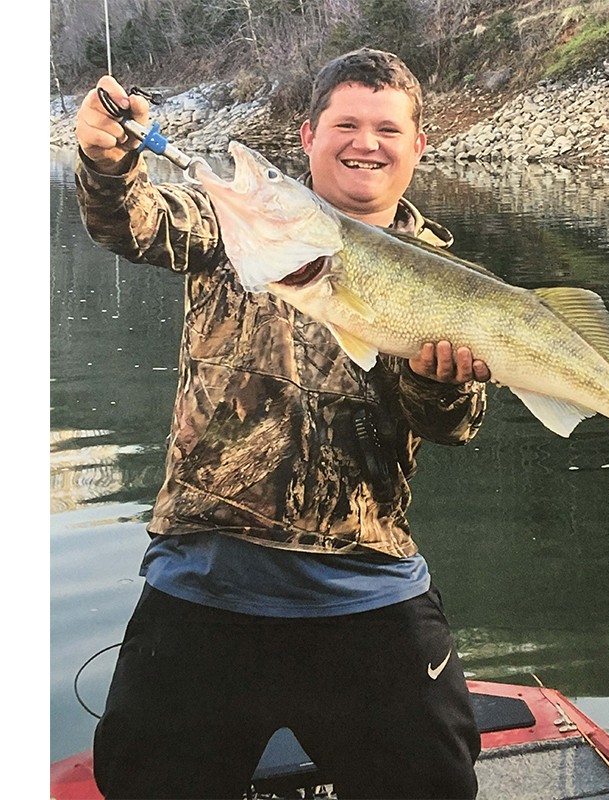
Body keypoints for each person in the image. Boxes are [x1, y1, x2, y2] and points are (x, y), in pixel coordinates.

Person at [74, 48, 490, 800]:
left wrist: (440, 384)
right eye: (346, 123)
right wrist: (106, 163)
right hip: (204, 589)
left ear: (418, 145)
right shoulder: (240, 223)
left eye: (387, 128)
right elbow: (132, 223)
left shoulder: (448, 278)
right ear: (308, 136)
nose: (366, 142)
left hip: (367, 587)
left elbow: (457, 424)